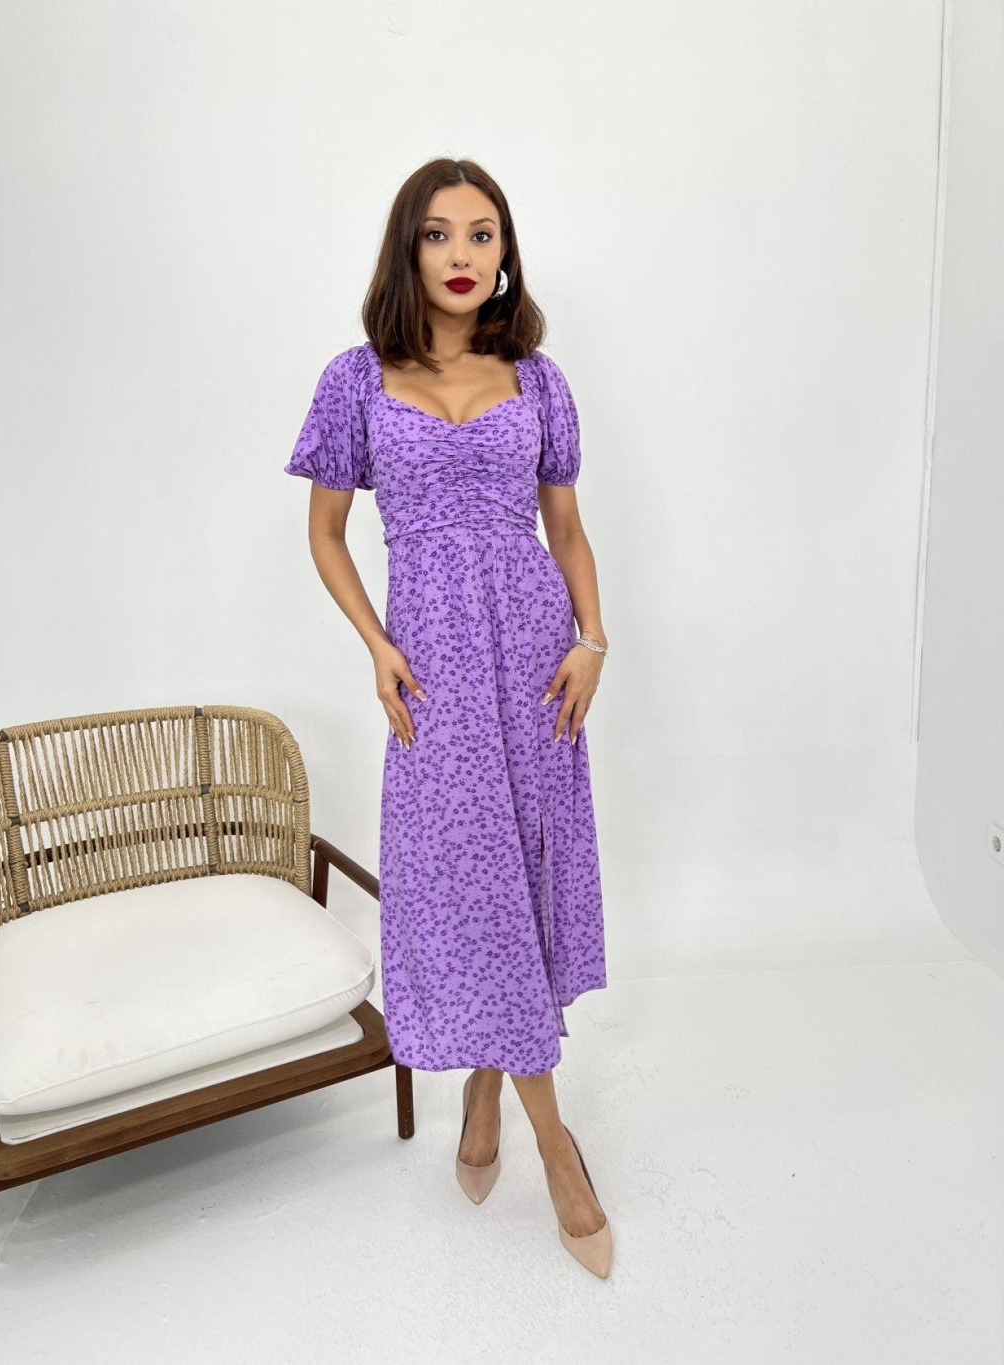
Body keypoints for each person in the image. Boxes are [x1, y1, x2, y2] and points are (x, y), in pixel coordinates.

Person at [284, 158, 612, 1278]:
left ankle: (487, 1085)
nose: (462, 254)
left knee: (522, 876)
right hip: (431, 671)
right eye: (438, 234)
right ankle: (555, 1142)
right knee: (468, 882)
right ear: (407, 250)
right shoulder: (355, 380)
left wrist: (592, 641)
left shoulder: (538, 378)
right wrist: (377, 646)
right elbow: (327, 534)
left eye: (482, 233)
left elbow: (565, 528)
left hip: (536, 659)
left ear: (504, 251)